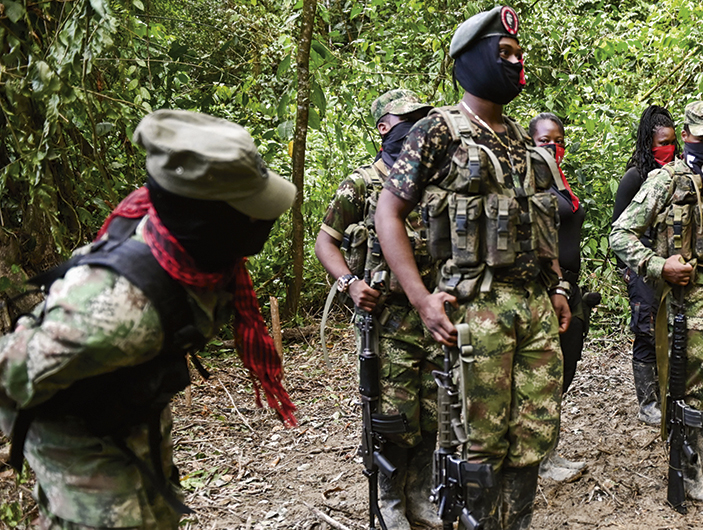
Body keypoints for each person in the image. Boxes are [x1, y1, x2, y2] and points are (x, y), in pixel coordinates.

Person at [0, 110, 297, 529]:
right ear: (208, 218)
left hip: (132, 418)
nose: (262, 221)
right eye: (248, 211)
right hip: (81, 451)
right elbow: (9, 372)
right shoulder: (119, 316)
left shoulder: (184, 241)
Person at [373, 6, 571, 529]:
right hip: (474, 307)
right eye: (504, 53)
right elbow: (388, 212)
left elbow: (540, 223)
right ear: (473, 59)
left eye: (518, 52)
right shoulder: (438, 130)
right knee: (477, 439)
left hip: (533, 307)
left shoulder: (526, 141)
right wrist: (420, 298)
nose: (516, 61)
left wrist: (557, 288)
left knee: (532, 433)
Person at [611, 101, 703, 505]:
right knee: (691, 394)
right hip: (686, 311)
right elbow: (621, 234)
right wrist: (658, 265)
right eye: (702, 137)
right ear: (688, 136)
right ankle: (689, 472)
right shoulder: (665, 182)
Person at [314, 89, 439, 528]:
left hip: (432, 316)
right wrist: (350, 283)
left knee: (434, 411)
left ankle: (420, 495)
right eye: (407, 121)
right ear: (384, 128)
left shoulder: (431, 181)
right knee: (393, 413)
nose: (416, 130)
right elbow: (324, 242)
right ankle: (389, 501)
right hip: (388, 320)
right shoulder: (363, 182)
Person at [528, 112, 600, 483]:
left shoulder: (561, 183)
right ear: (529, 144)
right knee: (544, 374)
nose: (551, 147)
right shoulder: (527, 186)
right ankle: (538, 457)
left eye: (557, 141)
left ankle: (549, 452)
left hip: (569, 289)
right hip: (543, 288)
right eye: (543, 141)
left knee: (564, 371)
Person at [611, 105, 680, 426]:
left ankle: (668, 393)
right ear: (648, 143)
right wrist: (629, 272)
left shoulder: (679, 177)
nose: (668, 149)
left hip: (672, 266)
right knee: (645, 332)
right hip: (641, 268)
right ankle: (647, 402)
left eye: (672, 142)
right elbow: (618, 231)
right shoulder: (635, 177)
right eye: (662, 143)